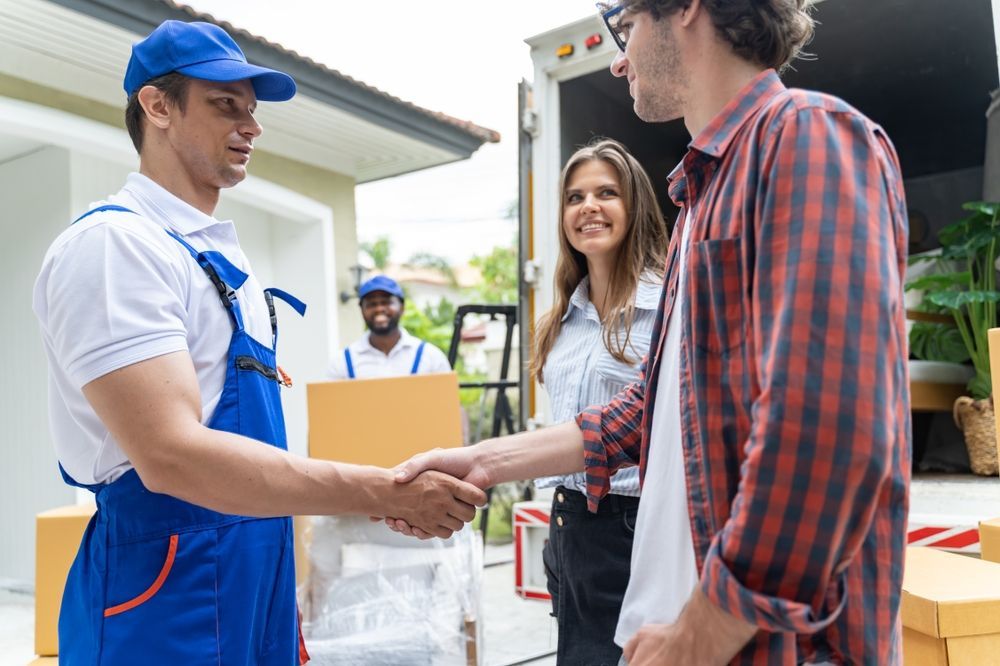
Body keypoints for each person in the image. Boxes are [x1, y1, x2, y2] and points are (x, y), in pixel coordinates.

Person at [389, 1, 910, 664]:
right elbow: (648, 412)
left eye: (624, 27)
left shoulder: (805, 136)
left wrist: (700, 636)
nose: (617, 59)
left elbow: (829, 429)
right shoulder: (701, 198)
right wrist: (483, 463)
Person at [32, 20, 484, 665]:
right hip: (166, 577)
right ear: (157, 107)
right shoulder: (116, 249)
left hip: (256, 560)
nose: (252, 125)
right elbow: (171, 456)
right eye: (225, 105)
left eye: (252, 108)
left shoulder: (212, 259)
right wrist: (383, 491)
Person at [532, 138, 667, 665]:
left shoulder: (667, 309)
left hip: (634, 529)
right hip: (568, 528)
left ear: (634, 206)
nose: (587, 207)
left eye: (606, 193)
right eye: (574, 197)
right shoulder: (561, 321)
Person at [328, 275, 451, 380]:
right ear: (362, 310)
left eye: (386, 302)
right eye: (371, 304)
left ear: (402, 307)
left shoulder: (431, 357)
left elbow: (448, 405)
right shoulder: (342, 362)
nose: (379, 309)